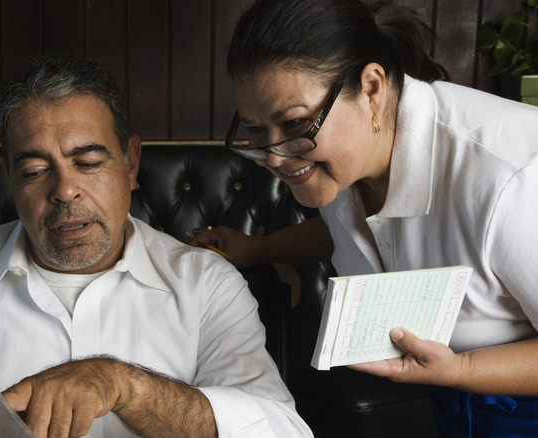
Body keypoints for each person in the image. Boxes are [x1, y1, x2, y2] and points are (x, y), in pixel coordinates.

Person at [0, 55, 311, 438]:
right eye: (35, 170)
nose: (64, 189)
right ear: (8, 177)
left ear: (131, 163)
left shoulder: (207, 284)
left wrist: (124, 385)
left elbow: (283, 429)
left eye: (88, 162)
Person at [188, 0, 538, 435]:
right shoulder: (348, 156)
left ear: (371, 87)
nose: (275, 157)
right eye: (256, 131)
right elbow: (358, 231)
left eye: (295, 123)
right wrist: (260, 248)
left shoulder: (513, 178)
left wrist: (460, 368)